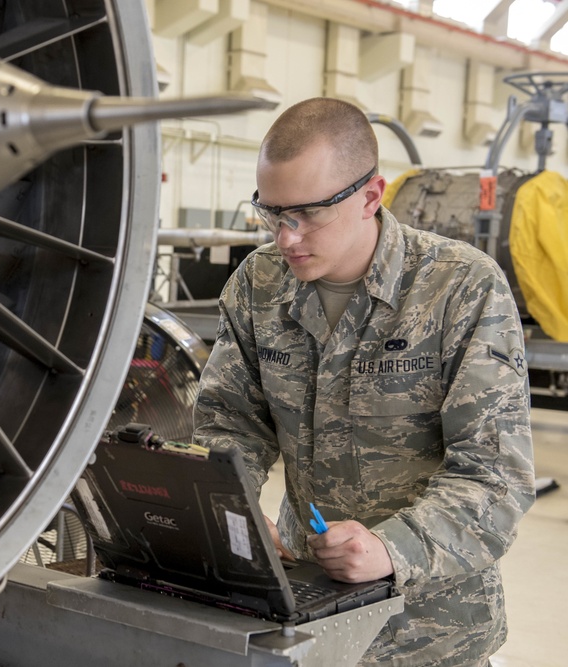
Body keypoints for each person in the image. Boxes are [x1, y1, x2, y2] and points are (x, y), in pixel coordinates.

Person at [193, 97, 535, 666]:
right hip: (306, 614)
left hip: (432, 632)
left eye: (306, 214)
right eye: (272, 214)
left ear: (370, 197)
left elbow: (497, 478)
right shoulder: (259, 285)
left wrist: (391, 548)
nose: (285, 237)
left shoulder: (459, 288)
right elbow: (229, 425)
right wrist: (236, 512)